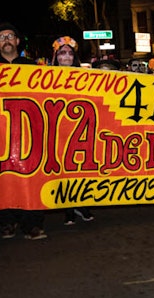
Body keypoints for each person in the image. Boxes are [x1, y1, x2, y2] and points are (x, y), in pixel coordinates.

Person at [0, 23, 47, 240]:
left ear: (17, 41)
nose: (7, 40)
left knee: (32, 176)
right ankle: (7, 221)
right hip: (1, 133)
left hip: (29, 132)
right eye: (1, 37)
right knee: (4, 176)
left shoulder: (31, 67)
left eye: (10, 35)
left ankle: (32, 223)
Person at [52, 37, 96, 225]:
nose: (66, 57)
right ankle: (68, 209)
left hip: (81, 129)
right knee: (63, 171)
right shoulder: (44, 76)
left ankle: (82, 204)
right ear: (56, 57)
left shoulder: (84, 76)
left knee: (81, 170)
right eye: (62, 53)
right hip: (58, 129)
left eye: (70, 53)